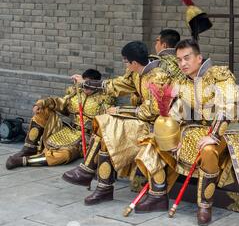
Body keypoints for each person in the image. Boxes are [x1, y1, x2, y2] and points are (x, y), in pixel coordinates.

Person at [134, 39, 239, 226]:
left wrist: (213, 135)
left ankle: (205, 205)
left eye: (187, 58)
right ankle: (158, 194)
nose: (183, 63)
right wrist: (168, 128)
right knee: (153, 141)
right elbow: (176, 112)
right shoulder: (181, 82)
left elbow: (228, 106)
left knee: (208, 150)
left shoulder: (219, 75)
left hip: (226, 131)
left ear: (199, 58)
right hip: (193, 130)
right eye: (179, 60)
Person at [62, 31, 183, 205]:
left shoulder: (157, 77)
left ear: (133, 62)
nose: (124, 64)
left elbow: (152, 110)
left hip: (157, 125)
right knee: (105, 128)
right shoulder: (136, 73)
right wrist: (85, 83)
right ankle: (99, 184)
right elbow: (116, 85)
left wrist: (121, 109)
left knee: (107, 124)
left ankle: (90, 173)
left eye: (126, 61)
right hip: (141, 120)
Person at [6, 69, 115, 170]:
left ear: (96, 84)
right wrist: (41, 103)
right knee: (42, 111)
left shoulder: (103, 99)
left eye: (88, 85)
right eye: (84, 84)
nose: (85, 87)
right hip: (68, 129)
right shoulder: (76, 93)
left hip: (84, 138)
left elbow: (105, 122)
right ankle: (29, 148)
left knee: (64, 155)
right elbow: (59, 103)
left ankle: (24, 161)